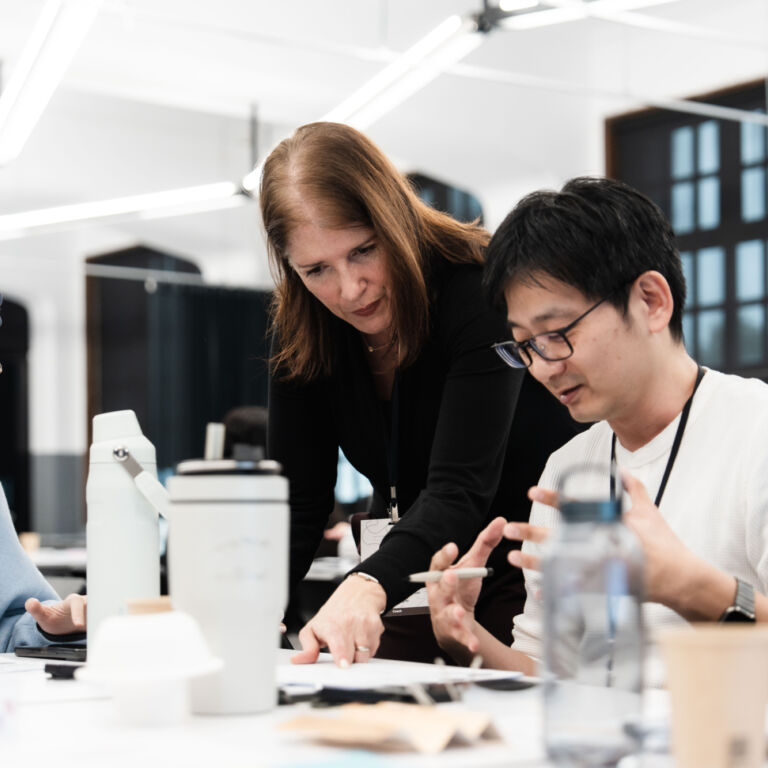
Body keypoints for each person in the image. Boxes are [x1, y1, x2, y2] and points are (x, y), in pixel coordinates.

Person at [261, 122, 578, 666]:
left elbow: (459, 489)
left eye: (363, 251)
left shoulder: (475, 291)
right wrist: (249, 607)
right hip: (413, 568)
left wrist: (367, 584)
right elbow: (298, 504)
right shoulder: (303, 327)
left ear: (394, 219)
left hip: (522, 564)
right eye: (316, 269)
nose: (349, 289)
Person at [427, 176, 768, 674]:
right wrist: (467, 637)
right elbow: (552, 671)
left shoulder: (755, 432)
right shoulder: (567, 467)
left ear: (651, 301)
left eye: (557, 332)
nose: (542, 368)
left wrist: (691, 587)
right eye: (525, 345)